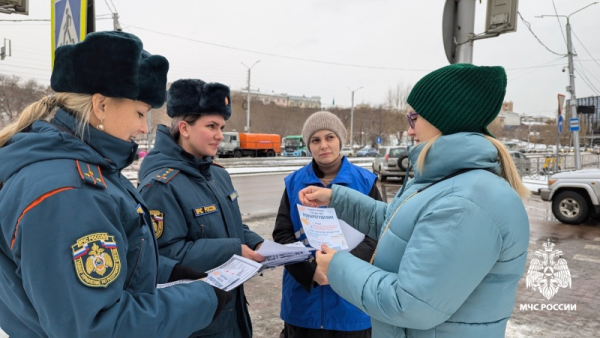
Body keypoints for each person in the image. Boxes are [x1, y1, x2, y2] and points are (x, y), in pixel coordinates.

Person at [0, 31, 232, 337]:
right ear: (101, 106)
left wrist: (167, 270)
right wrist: (203, 299)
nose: (143, 127)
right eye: (139, 112)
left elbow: (102, 271)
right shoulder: (70, 193)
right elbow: (97, 326)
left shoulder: (81, 167)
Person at [298, 64, 530, 338]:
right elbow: (396, 226)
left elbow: (409, 303)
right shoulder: (450, 182)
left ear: (442, 118)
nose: (409, 130)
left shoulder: (466, 202)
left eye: (414, 118)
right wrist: (336, 198)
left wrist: (337, 266)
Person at [138, 79, 265, 337]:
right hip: (199, 323)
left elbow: (233, 226)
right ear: (184, 128)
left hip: (233, 311)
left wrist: (257, 244)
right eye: (211, 126)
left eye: (221, 127)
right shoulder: (160, 186)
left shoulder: (218, 175)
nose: (220, 135)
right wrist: (233, 250)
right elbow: (162, 256)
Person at [273, 111, 381, 338]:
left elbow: (378, 234)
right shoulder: (294, 183)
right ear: (308, 145)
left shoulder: (365, 182)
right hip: (303, 304)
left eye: (330, 137)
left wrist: (342, 266)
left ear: (340, 140)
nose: (323, 145)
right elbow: (283, 234)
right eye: (315, 140)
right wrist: (308, 270)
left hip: (352, 305)